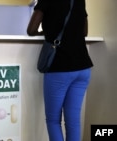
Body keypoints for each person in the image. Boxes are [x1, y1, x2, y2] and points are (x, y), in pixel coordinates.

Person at [27, 0, 93, 141]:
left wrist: (49, 30)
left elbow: (31, 30)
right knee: (73, 121)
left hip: (59, 67)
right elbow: (85, 32)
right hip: (83, 67)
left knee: (53, 120)